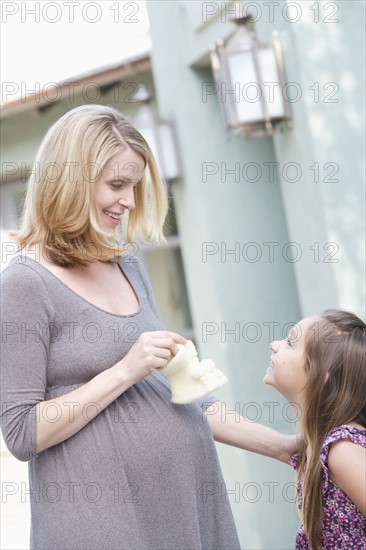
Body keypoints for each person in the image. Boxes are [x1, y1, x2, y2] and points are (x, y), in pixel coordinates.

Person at [1, 104, 296, 550]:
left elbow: (183, 396)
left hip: (185, 510)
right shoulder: (24, 283)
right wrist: (124, 371)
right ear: (70, 181)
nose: (130, 201)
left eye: (134, 186)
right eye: (116, 184)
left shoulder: (128, 266)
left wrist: (284, 447)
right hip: (101, 525)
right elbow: (22, 433)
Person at [264, 309, 366, 550]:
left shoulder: (342, 449)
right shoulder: (320, 447)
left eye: (290, 343)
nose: (274, 345)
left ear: (321, 377)